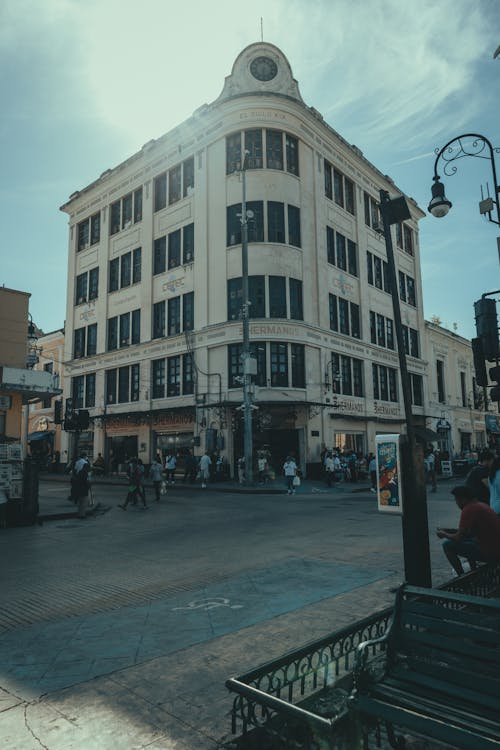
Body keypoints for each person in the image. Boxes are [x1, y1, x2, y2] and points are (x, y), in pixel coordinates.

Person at [436, 485, 500, 575]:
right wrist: (449, 530)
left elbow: (458, 537)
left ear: (462, 499)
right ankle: (473, 571)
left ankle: (461, 576)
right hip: (494, 548)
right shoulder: (480, 505)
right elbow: (466, 533)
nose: (456, 503)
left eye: (456, 500)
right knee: (470, 540)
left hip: (491, 552)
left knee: (447, 545)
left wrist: (444, 534)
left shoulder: (468, 509)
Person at [72, 451, 90, 519]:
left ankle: (79, 513)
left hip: (77, 482)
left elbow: (74, 471)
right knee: (84, 500)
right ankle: (82, 514)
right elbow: (87, 476)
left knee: (80, 500)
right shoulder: (85, 463)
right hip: (83, 484)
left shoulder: (77, 462)